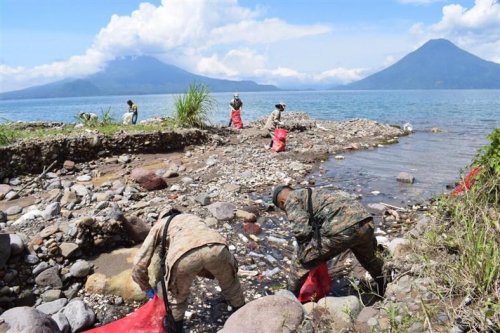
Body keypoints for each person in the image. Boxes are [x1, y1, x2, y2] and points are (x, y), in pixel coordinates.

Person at [131, 212, 245, 332]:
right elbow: (202, 249)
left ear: (162, 218)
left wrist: (147, 289)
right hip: (217, 247)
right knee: (232, 287)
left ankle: (175, 329)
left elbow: (139, 263)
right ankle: (244, 321)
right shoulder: (192, 217)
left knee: (176, 300)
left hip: (183, 255)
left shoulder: (160, 225)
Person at [272, 185, 387, 297]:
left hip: (343, 229)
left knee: (301, 261)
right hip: (366, 222)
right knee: (370, 261)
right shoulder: (314, 192)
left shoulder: (290, 199)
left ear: (282, 202)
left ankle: (290, 298)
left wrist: (306, 251)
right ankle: (386, 289)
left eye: (282, 208)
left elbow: (302, 232)